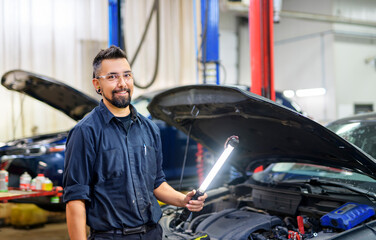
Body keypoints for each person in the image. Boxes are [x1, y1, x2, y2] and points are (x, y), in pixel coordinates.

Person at [63, 45, 207, 240]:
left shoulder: (149, 129)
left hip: (152, 234)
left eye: (127, 75)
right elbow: (75, 200)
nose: (122, 83)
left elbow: (156, 183)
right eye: (112, 77)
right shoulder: (85, 132)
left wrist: (183, 200)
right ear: (97, 84)